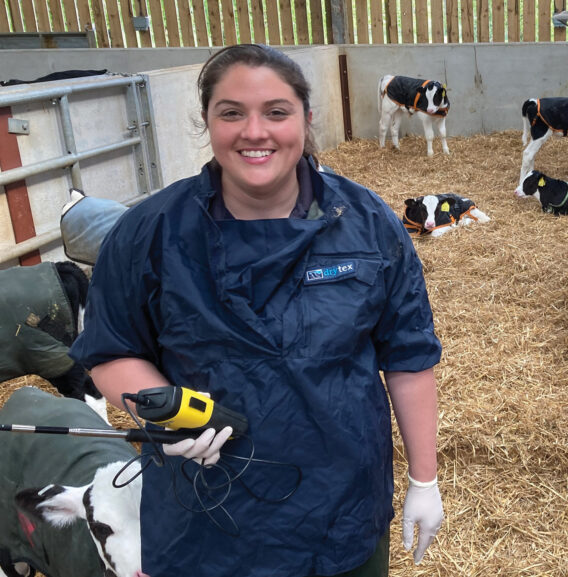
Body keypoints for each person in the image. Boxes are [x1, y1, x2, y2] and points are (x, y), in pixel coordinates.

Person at [70, 44, 444, 577]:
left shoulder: (367, 224)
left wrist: (424, 481)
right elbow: (111, 351)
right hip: (202, 512)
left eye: (276, 111)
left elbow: (408, 357)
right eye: (231, 113)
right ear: (207, 121)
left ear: (306, 118)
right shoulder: (150, 232)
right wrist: (166, 412)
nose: (254, 131)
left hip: (340, 513)